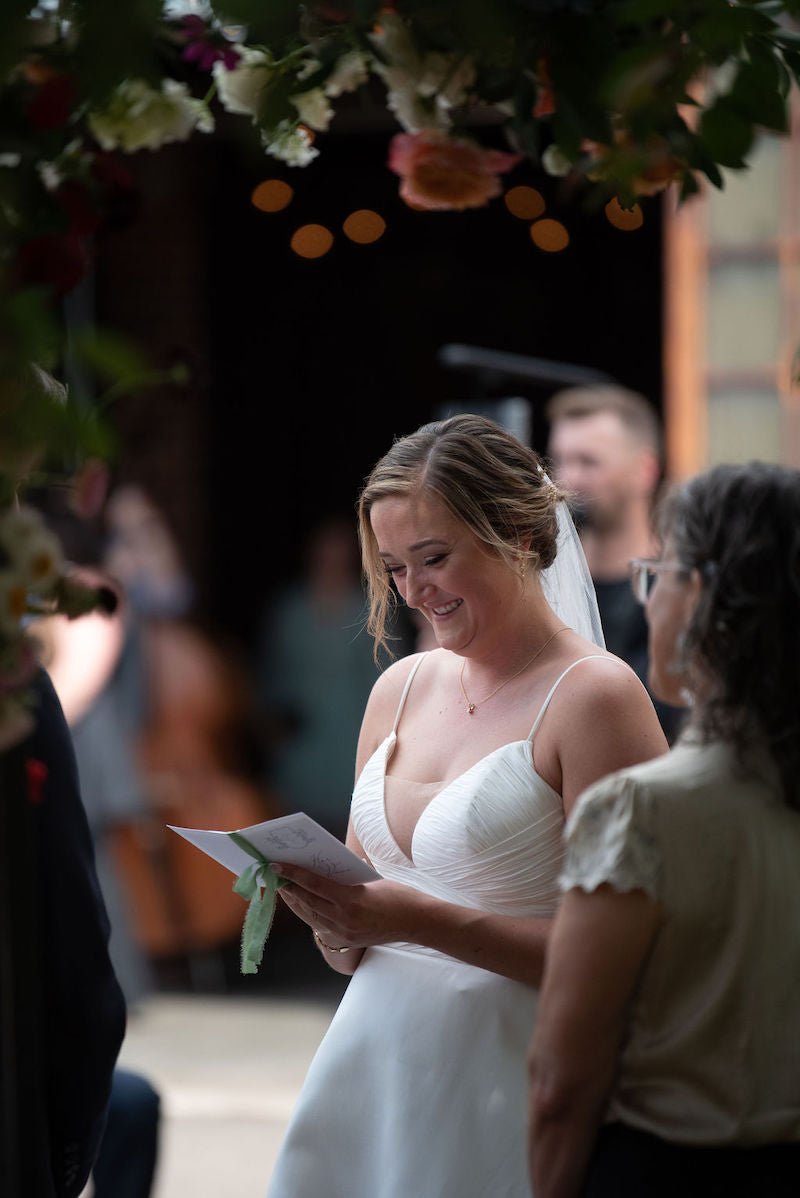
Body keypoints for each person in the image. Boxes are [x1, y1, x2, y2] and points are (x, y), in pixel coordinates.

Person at [265, 414, 667, 1197]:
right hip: (370, 1078)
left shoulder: (596, 698)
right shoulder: (398, 689)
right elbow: (351, 942)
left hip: (507, 1084)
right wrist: (323, 912)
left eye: (435, 557)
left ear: (518, 535)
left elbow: (632, 958)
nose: (414, 590)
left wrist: (415, 921)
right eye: (392, 567)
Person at [527, 461, 800, 1197]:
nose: (647, 600)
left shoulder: (642, 811)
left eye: (658, 575)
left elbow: (561, 1083)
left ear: (701, 596)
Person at [546, 384, 683, 741]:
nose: (567, 479)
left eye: (588, 462)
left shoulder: (678, 588)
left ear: (644, 471)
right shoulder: (539, 582)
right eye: (559, 460)